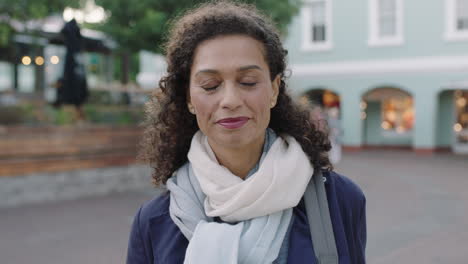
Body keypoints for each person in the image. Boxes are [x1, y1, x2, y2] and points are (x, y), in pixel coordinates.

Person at [127, 2, 366, 264]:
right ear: (189, 98)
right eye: (210, 85)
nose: (230, 100)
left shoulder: (339, 201)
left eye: (248, 82)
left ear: (275, 89)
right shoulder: (153, 223)